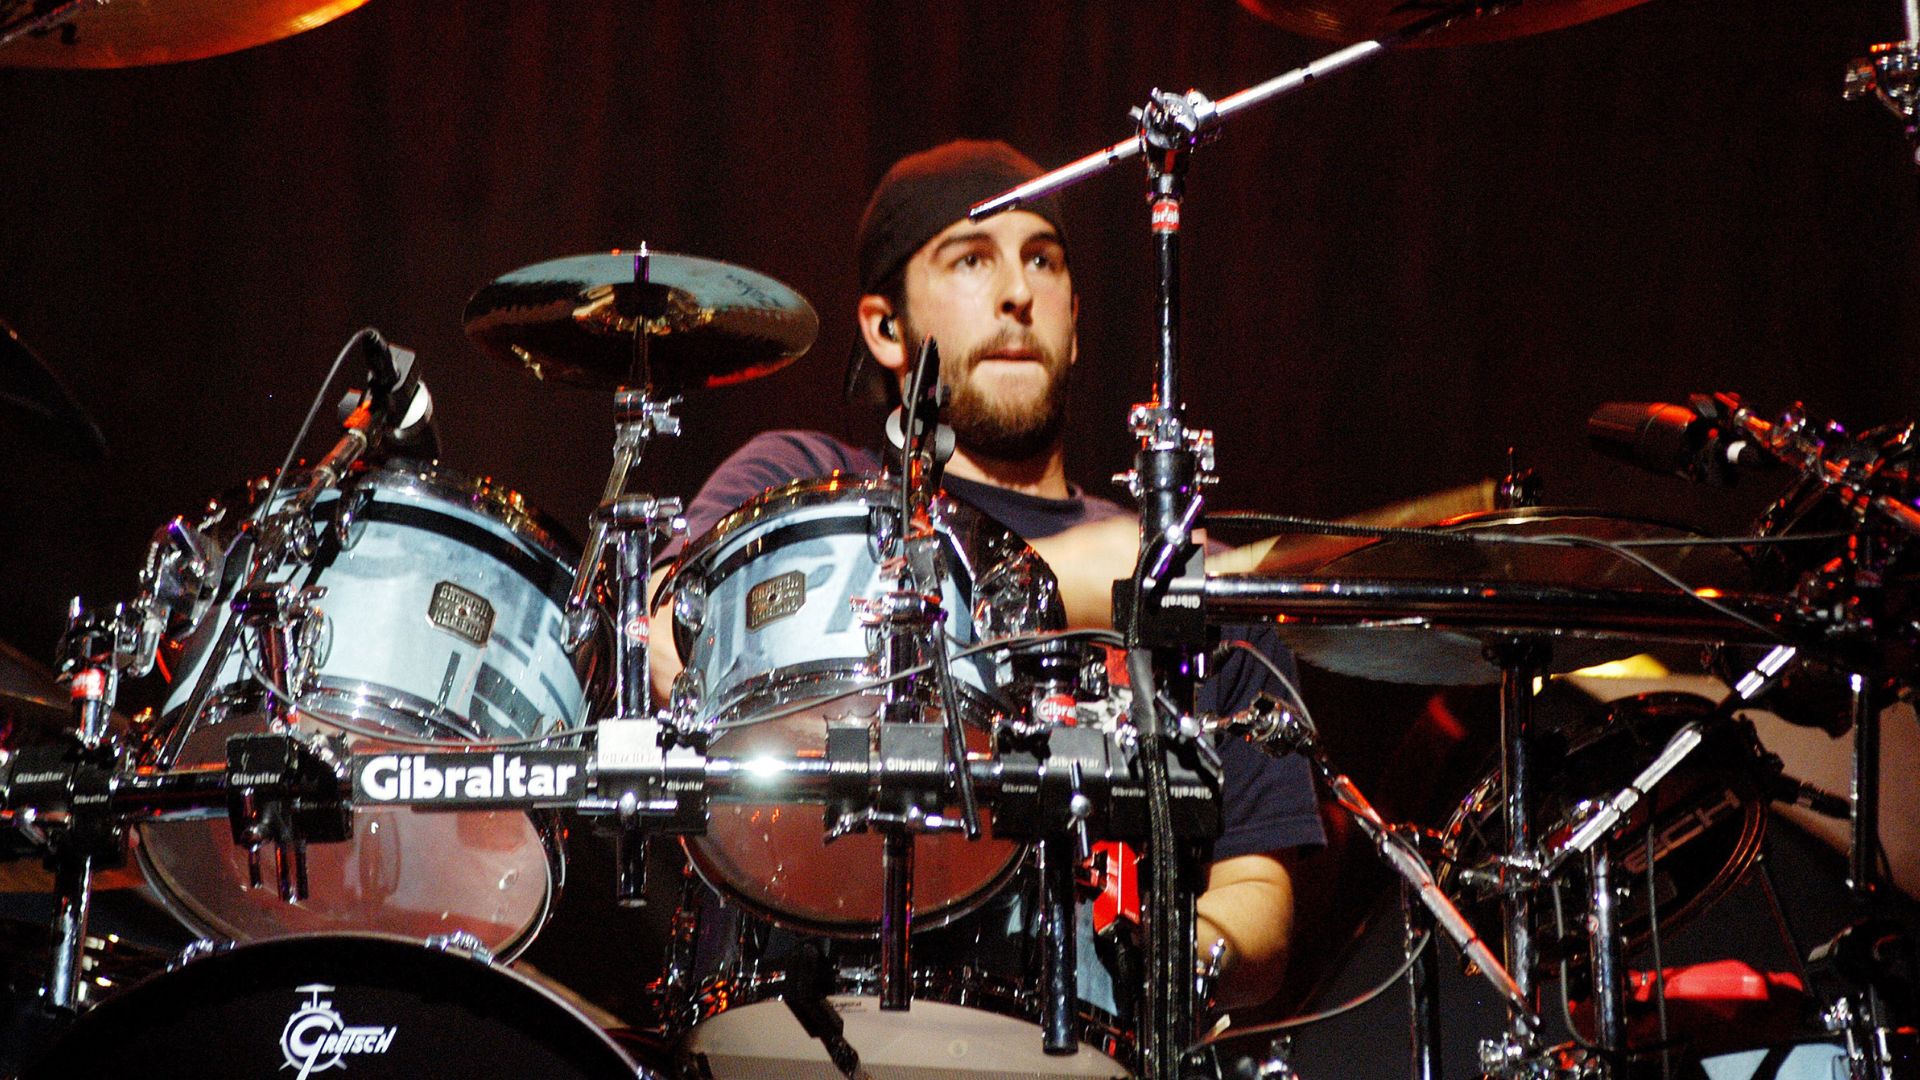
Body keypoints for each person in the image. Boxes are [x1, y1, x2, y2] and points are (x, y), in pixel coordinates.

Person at [649, 139, 1323, 1009]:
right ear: (885, 328)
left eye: (1042, 261)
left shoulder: (1186, 583)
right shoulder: (795, 484)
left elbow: (1259, 906)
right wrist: (1050, 580)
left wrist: (1152, 954)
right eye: (971, 259)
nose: (1016, 293)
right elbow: (666, 640)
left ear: (1076, 317)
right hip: (796, 1012)